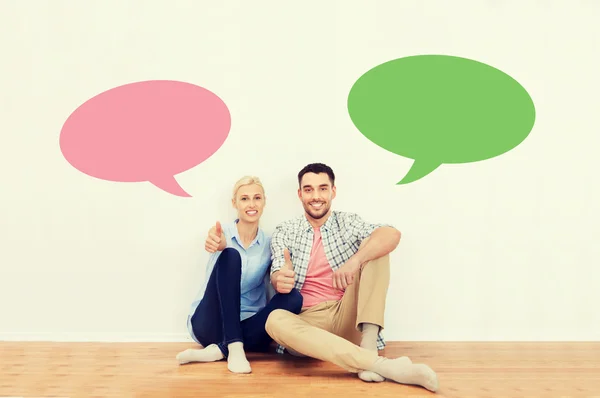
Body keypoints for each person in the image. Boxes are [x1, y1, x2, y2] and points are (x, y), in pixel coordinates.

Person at [265, 163, 439, 392]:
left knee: (376, 246)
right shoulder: (285, 230)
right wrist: (280, 278)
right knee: (274, 319)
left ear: (333, 192)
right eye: (308, 190)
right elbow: (278, 268)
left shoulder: (347, 222)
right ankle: (384, 366)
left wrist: (355, 260)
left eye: (322, 188)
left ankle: (368, 346)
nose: (316, 196)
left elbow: (391, 234)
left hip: (346, 314)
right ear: (300, 194)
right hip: (309, 323)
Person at [176, 176, 303, 374]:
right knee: (231, 255)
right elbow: (215, 237)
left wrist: (282, 277)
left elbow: (278, 277)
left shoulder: (270, 243)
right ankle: (234, 347)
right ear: (234, 203)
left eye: (257, 198)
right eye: (244, 199)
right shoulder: (222, 232)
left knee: (294, 298)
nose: (251, 204)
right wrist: (217, 244)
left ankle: (219, 350)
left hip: (248, 325)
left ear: (264, 202)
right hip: (209, 323)